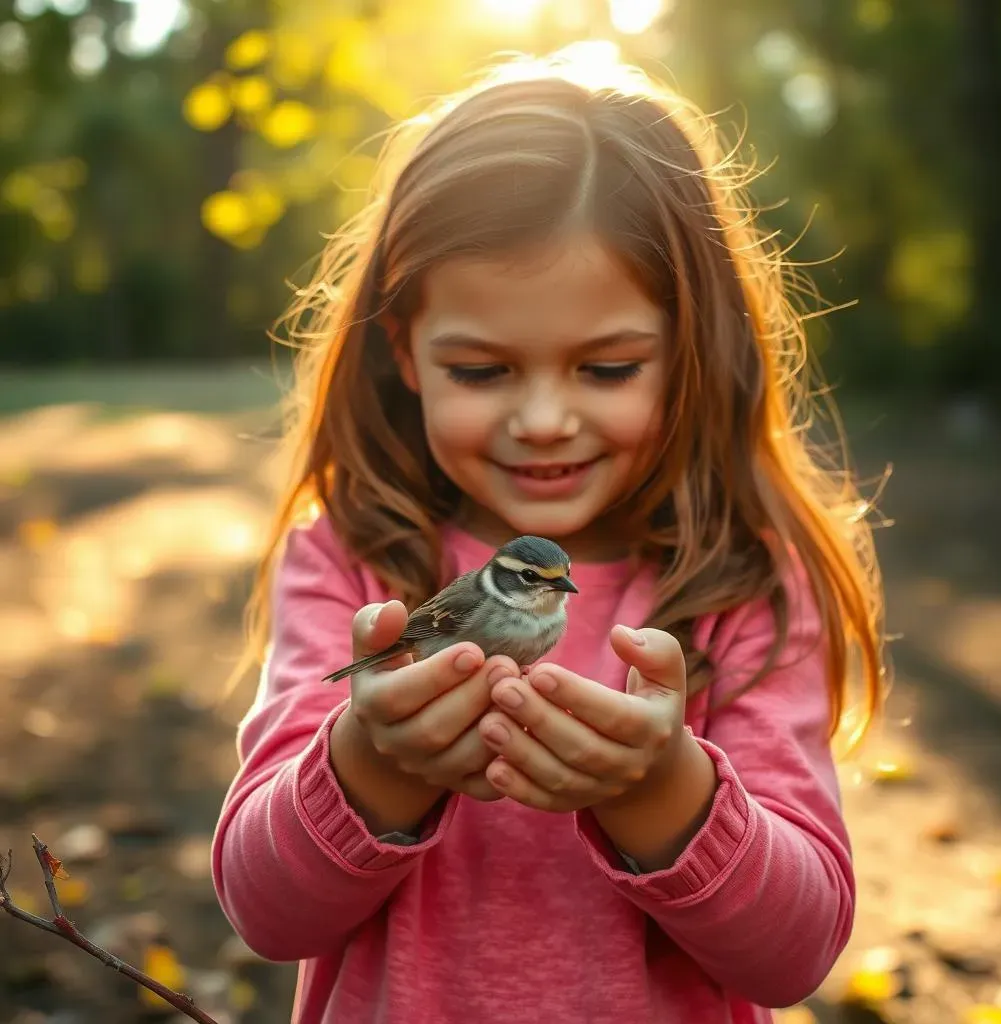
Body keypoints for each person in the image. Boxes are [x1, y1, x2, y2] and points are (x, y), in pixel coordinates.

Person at [212, 49, 886, 1024]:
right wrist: (374, 754)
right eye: (483, 371)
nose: (540, 421)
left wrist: (662, 787)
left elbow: (796, 958)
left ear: (687, 351)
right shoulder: (350, 561)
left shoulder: (746, 584)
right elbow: (263, 915)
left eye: (605, 368)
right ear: (404, 350)